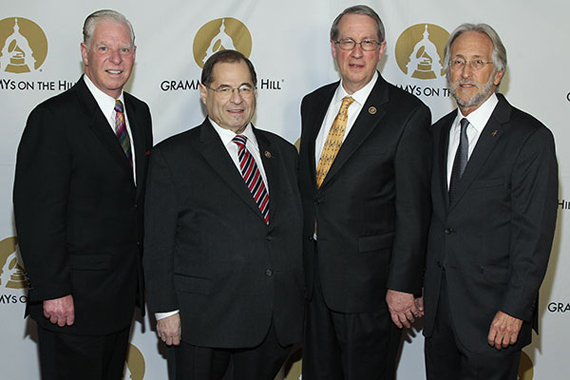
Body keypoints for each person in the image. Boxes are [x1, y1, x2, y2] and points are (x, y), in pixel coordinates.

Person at [143, 49, 304, 380]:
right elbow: (157, 243)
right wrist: (165, 310)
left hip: (270, 323)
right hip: (202, 324)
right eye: (225, 89)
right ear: (204, 93)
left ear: (256, 92)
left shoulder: (284, 153)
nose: (237, 99)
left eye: (245, 88)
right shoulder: (171, 157)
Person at [13, 9, 152, 380]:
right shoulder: (53, 118)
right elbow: (37, 214)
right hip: (72, 304)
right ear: (85, 52)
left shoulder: (139, 114)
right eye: (104, 47)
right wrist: (53, 290)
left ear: (135, 54)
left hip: (120, 300)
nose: (116, 58)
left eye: (124, 49)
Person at [298, 5, 432, 379]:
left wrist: (403, 286)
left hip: (370, 292)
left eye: (367, 42)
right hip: (314, 285)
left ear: (382, 48)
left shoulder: (408, 114)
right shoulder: (313, 104)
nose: (357, 52)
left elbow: (414, 211)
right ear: (333, 46)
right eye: (348, 42)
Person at [422, 23, 558, 379]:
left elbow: (534, 236)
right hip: (439, 318)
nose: (465, 72)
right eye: (457, 62)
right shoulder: (435, 135)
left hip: (494, 318)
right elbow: (436, 223)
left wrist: (515, 310)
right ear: (446, 71)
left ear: (497, 74)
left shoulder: (530, 138)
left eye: (477, 62)